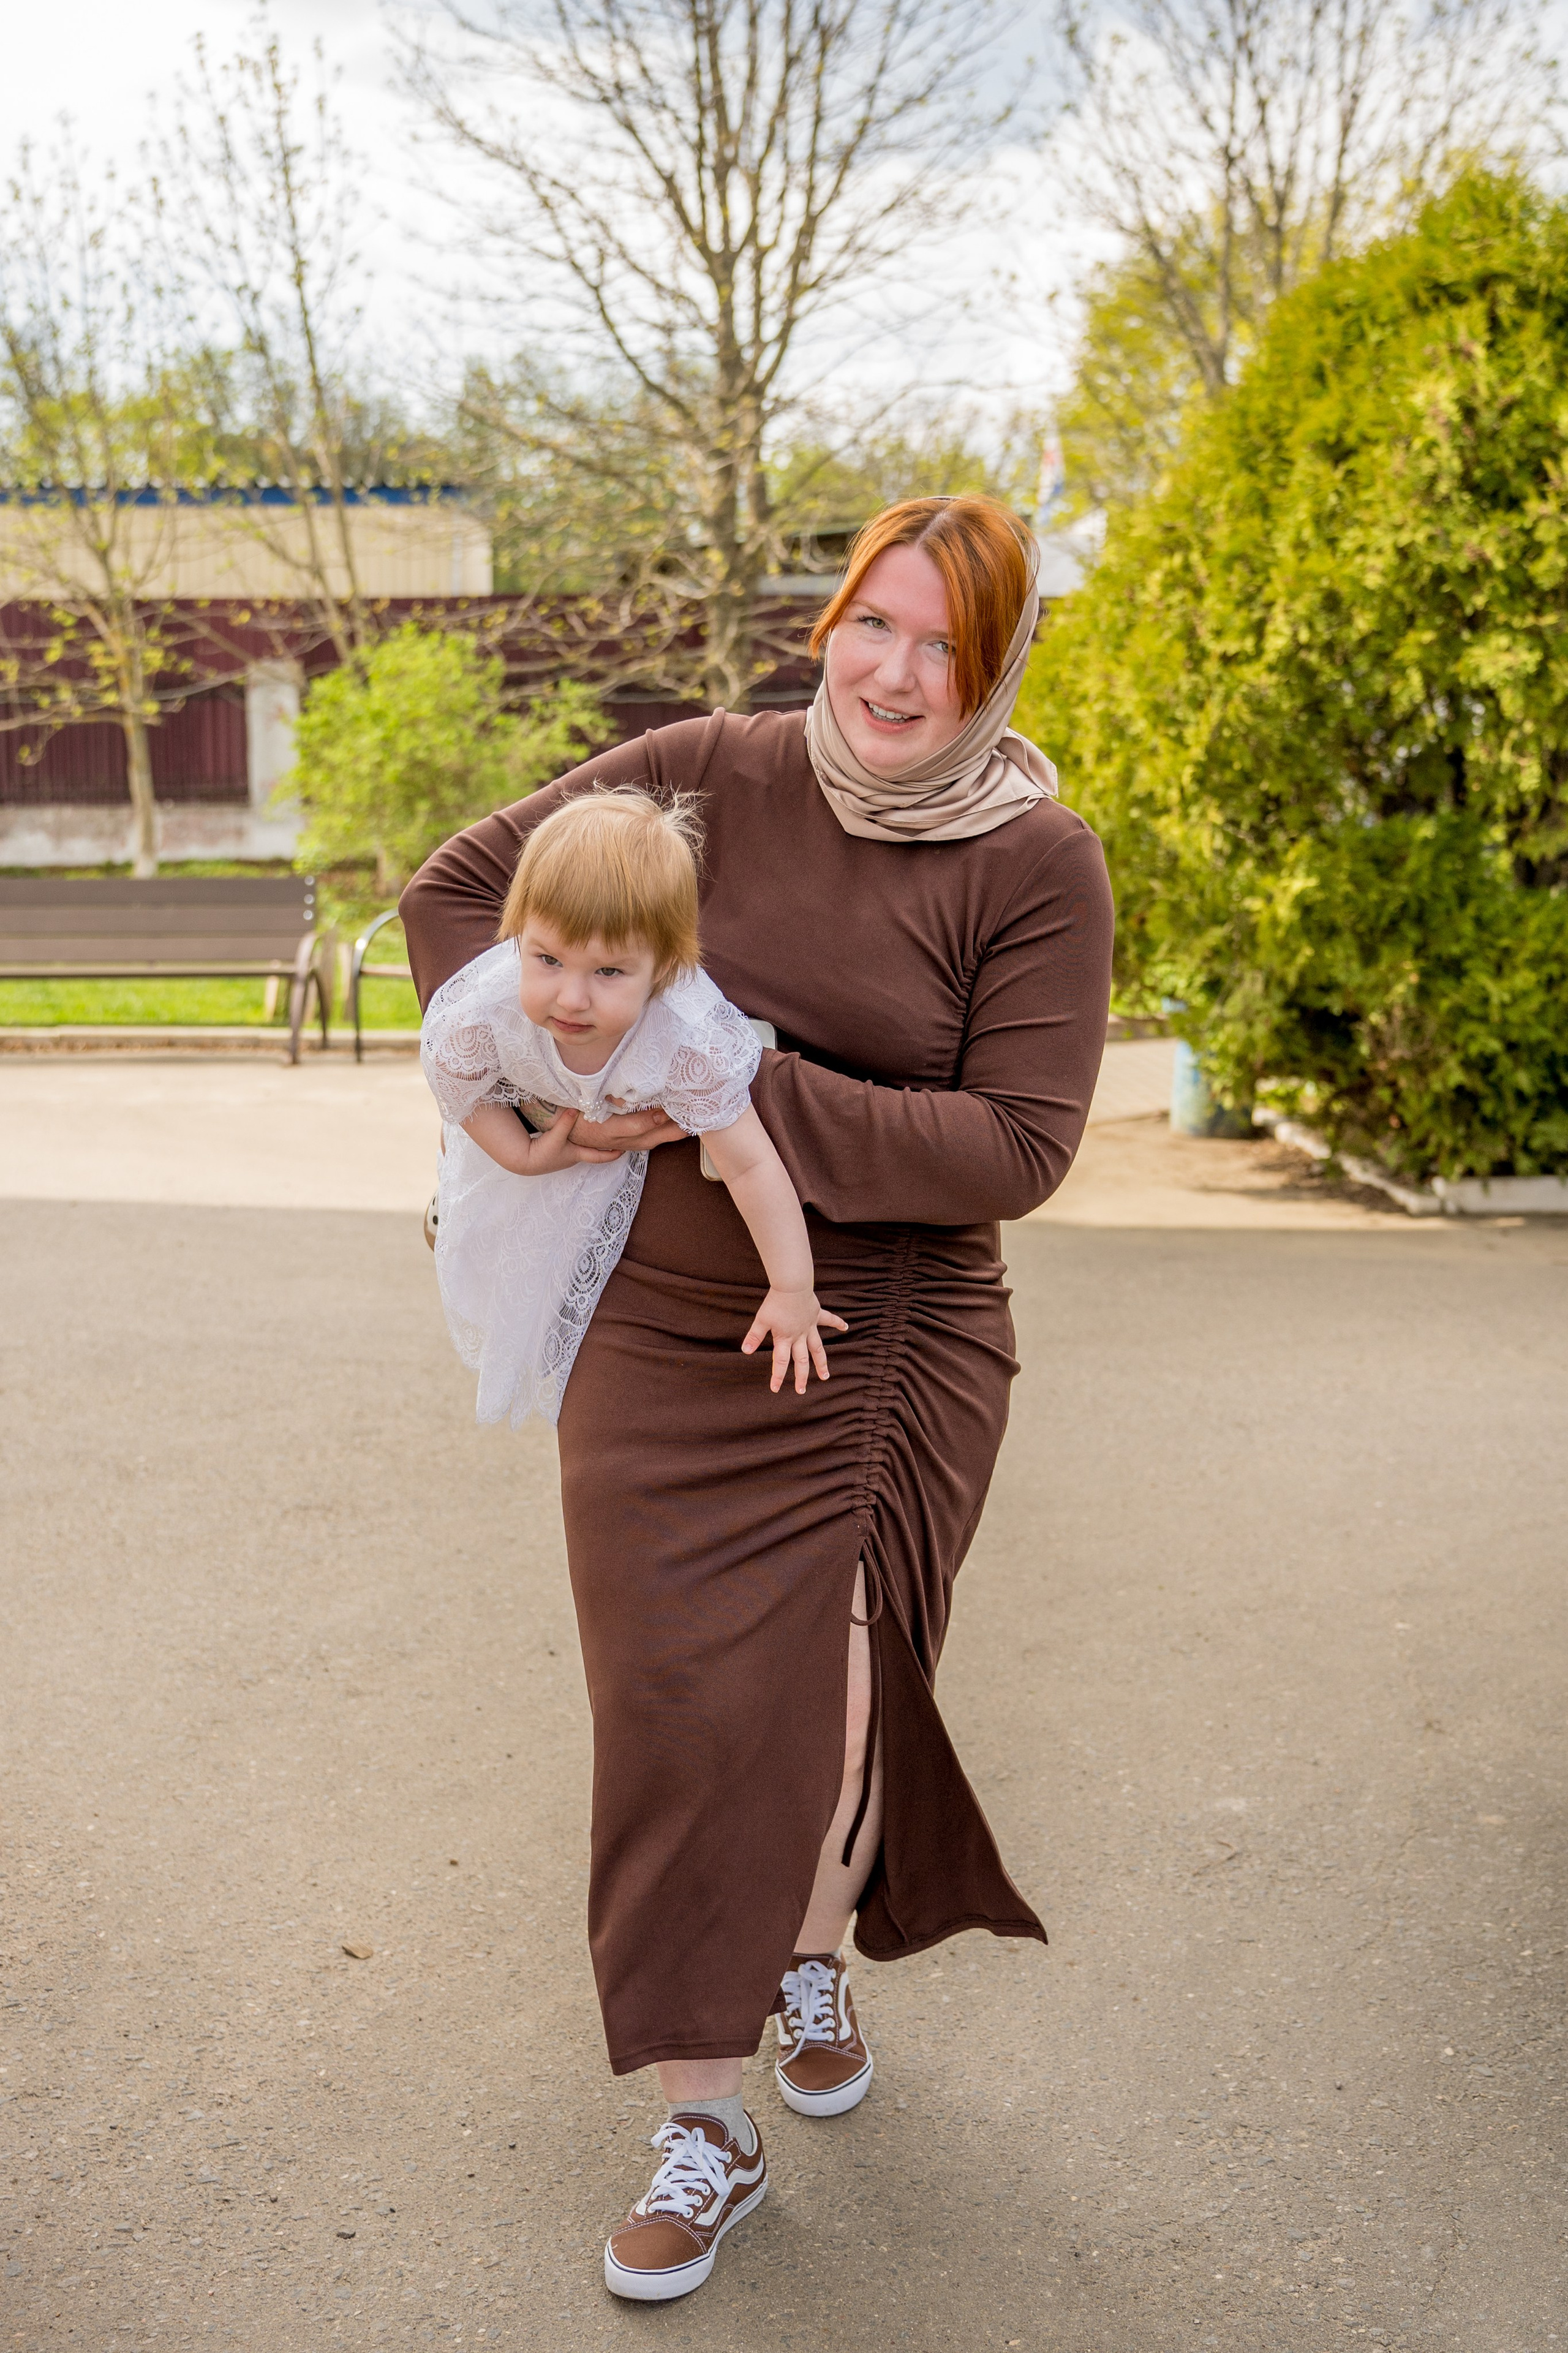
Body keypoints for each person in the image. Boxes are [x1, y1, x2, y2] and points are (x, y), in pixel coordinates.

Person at [399, 493, 1115, 2304]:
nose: (893, 670)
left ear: (999, 660)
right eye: (872, 621)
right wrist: (535, 1086)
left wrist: (726, 1084)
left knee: (839, 1694)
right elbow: (456, 892)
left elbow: (1015, 1145)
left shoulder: (1036, 861)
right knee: (671, 1703)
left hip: (882, 1324)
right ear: (831, 622)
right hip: (656, 1314)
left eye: (943, 643)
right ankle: (703, 2118)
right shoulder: (703, 770)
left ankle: (808, 1946)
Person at [419, 790, 845, 1426]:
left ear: (665, 969)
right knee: (491, 1257)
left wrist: (791, 1287)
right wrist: (524, 1155)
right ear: (518, 936)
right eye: (547, 959)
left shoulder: (683, 1039)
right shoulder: (489, 1011)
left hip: (614, 1155)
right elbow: (457, 1083)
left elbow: (751, 1167)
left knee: (582, 1288)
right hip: (522, 1124)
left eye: (609, 972)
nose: (571, 997)